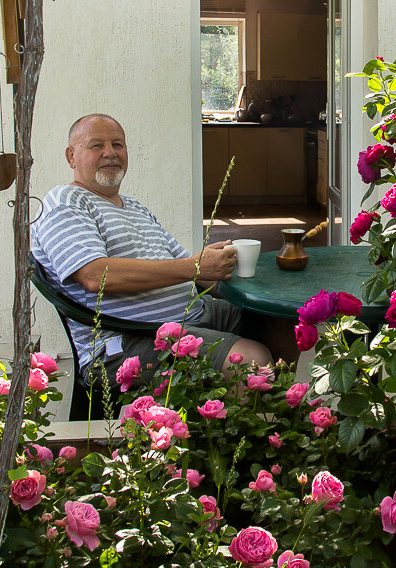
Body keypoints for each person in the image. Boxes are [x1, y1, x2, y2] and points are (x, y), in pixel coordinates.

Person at [31, 113, 271, 385]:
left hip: (193, 314)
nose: (110, 153)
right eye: (96, 145)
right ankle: (236, 421)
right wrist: (195, 266)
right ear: (71, 156)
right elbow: (95, 276)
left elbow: (193, 270)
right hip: (127, 340)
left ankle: (265, 407)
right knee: (252, 358)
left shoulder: (134, 207)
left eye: (118, 144)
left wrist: (234, 273)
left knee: (281, 319)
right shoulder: (66, 202)